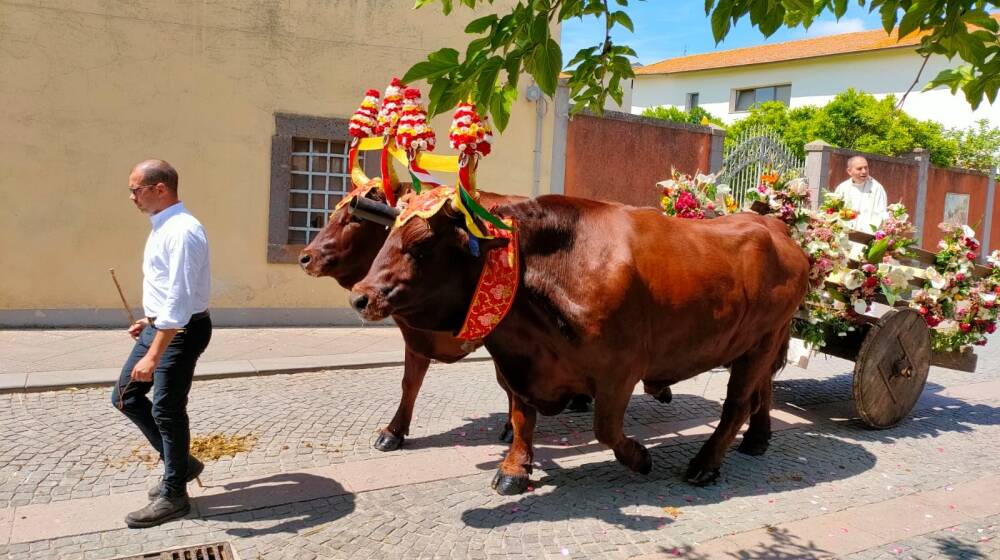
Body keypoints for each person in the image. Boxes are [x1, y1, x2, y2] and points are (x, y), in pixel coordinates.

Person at [111, 159, 212, 528]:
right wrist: (149, 320)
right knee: (125, 396)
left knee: (167, 411)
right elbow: (167, 291)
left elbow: (181, 298)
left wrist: (154, 353)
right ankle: (182, 465)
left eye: (135, 190)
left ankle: (174, 494)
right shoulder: (164, 225)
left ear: (159, 189)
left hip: (181, 332)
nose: (132, 198)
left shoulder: (183, 230)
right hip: (163, 325)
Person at [833, 156, 888, 231]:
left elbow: (881, 214)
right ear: (849, 171)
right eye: (859, 168)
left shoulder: (877, 188)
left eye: (866, 168)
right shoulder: (842, 188)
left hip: (867, 235)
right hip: (845, 233)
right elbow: (835, 212)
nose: (864, 171)